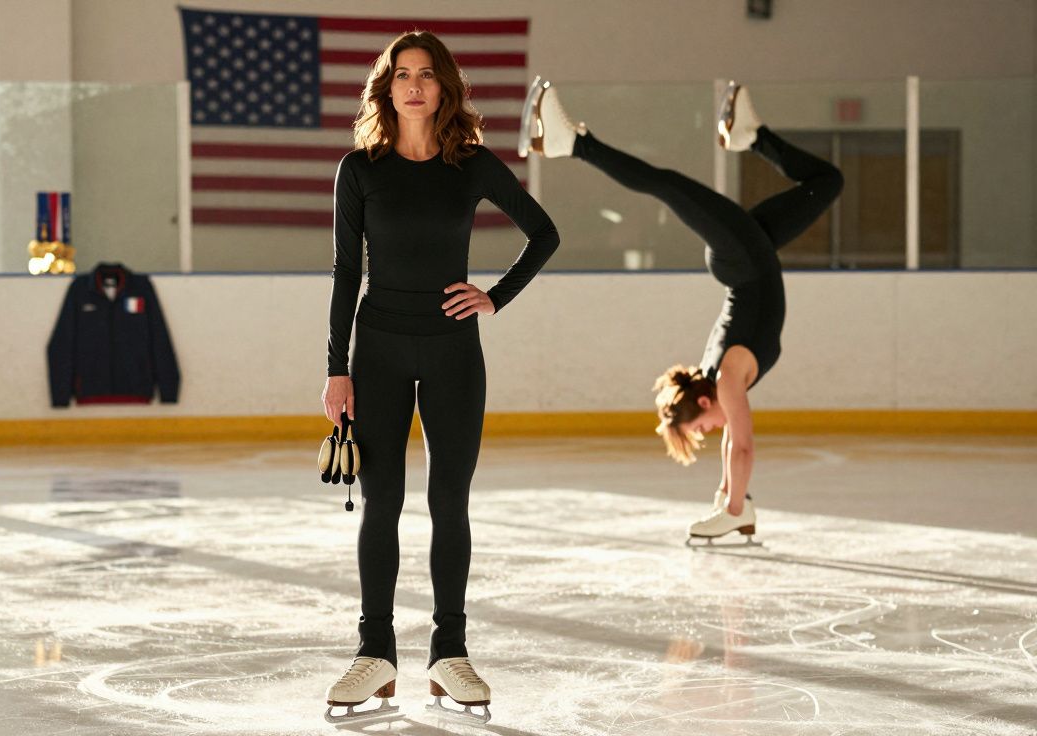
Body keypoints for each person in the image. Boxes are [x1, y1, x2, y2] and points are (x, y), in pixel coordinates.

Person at [322, 33, 559, 724]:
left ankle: (449, 653)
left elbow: (543, 233)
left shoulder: (472, 165)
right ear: (386, 89)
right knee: (382, 503)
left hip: (456, 350)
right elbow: (345, 272)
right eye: (402, 75)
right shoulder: (359, 170)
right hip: (381, 351)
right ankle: (376, 655)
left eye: (427, 75)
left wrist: (495, 295)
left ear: (445, 87)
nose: (415, 86)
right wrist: (336, 367)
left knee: (449, 501)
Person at [520, 79, 842, 545]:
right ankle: (752, 136)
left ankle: (572, 143)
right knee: (827, 183)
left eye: (702, 426)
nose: (712, 431)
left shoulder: (727, 376)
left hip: (745, 256)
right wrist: (732, 501)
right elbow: (737, 440)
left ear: (707, 402)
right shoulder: (720, 376)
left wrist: (729, 508)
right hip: (751, 254)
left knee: (667, 186)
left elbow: (742, 445)